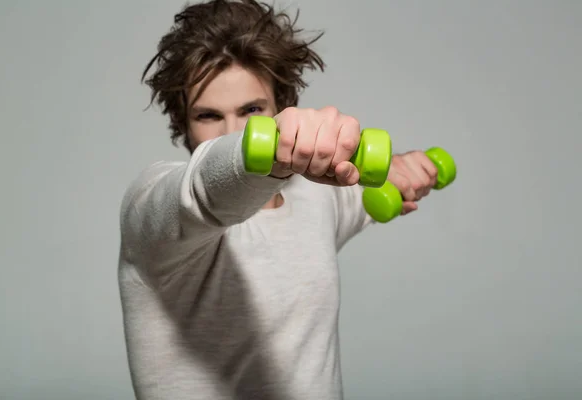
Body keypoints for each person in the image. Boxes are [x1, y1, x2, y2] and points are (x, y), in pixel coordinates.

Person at [118, 0, 438, 399]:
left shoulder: (317, 198)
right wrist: (268, 152)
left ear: (280, 108)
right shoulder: (156, 210)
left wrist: (404, 167)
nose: (231, 131)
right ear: (184, 121)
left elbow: (369, 184)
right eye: (208, 116)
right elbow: (202, 190)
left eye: (251, 110)